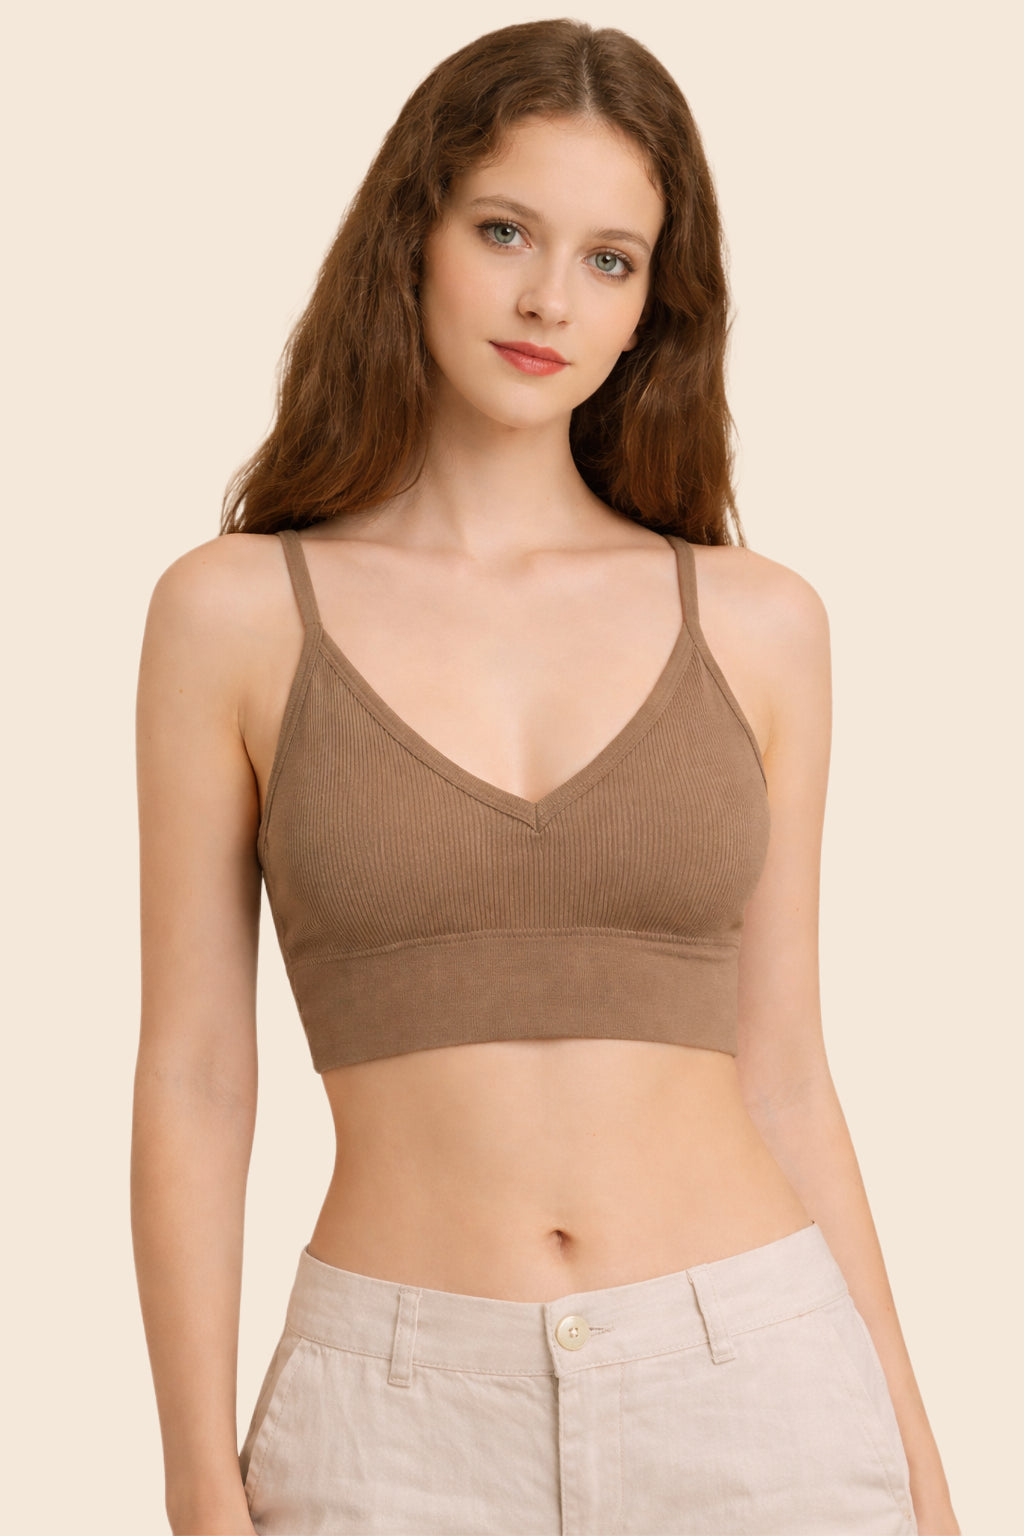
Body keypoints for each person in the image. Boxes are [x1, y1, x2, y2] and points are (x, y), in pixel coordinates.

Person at [131, 18, 960, 1536]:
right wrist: (196, 1478)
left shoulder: (759, 623)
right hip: (392, 1422)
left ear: (654, 306)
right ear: (413, 235)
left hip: (758, 1391)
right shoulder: (233, 611)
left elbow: (785, 1070)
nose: (547, 301)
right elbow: (196, 1072)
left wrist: (921, 1475)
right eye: (504, 230)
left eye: (610, 259)